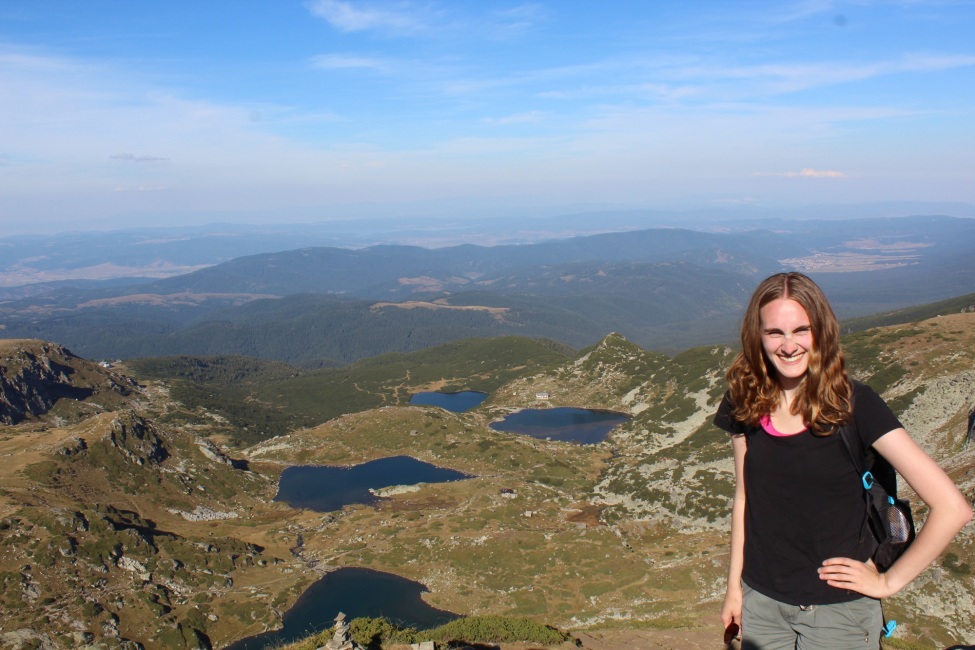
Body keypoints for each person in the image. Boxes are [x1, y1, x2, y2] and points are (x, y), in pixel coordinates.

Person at [714, 272, 972, 649]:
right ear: (757, 335)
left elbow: (952, 508)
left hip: (839, 615)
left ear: (821, 332)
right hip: (763, 605)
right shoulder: (745, 401)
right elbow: (744, 498)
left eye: (801, 330)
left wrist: (888, 582)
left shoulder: (856, 405)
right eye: (775, 333)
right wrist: (735, 590)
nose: (789, 346)